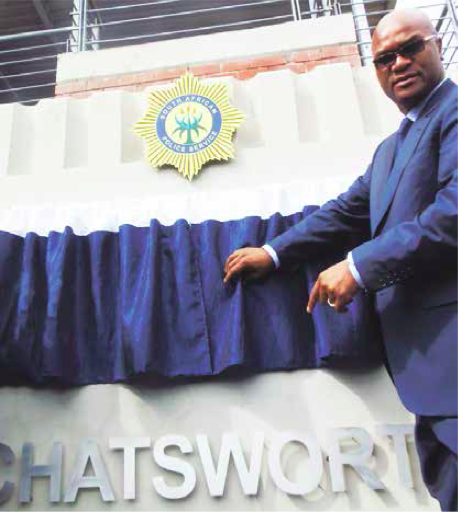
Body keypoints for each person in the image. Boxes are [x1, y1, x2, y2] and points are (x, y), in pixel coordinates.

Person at [223, 8, 457, 511]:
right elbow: (346, 212)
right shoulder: (389, 152)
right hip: (426, 374)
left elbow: (453, 215)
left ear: (437, 46)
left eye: (410, 48)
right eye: (383, 58)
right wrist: (273, 251)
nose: (398, 63)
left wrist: (357, 268)